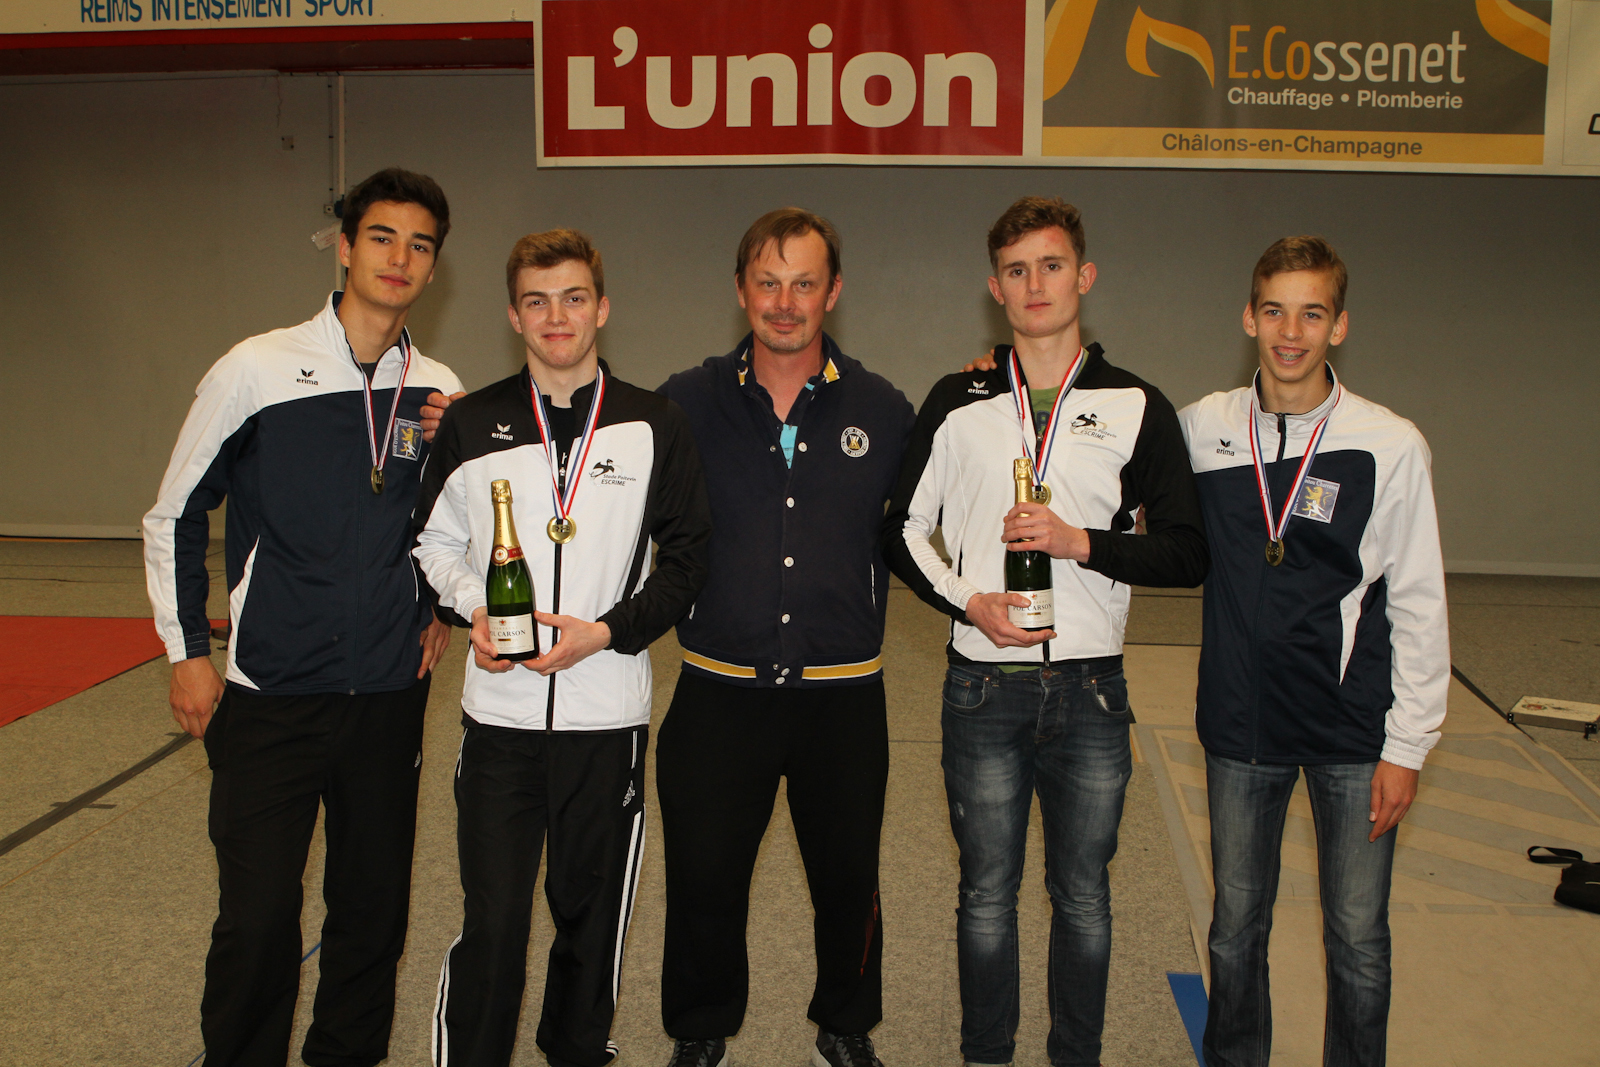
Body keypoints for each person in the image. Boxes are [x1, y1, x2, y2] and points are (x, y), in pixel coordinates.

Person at [143, 167, 463, 1067]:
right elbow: (175, 513)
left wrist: (438, 605)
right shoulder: (256, 367)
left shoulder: (439, 389)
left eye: (420, 245)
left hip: (387, 697)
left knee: (371, 913)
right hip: (271, 692)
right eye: (382, 237)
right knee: (256, 919)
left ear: (434, 266)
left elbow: (452, 521)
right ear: (346, 247)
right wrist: (187, 651)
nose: (399, 258)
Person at [882, 195, 1208, 1067]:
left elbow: (1188, 551)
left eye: (1052, 266)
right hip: (983, 684)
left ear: (1083, 277)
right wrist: (967, 602)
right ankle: (986, 1055)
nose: (1036, 284)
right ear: (995, 288)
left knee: (1085, 897)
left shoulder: (1137, 404)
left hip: (1092, 691)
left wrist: (1082, 542)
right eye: (1016, 270)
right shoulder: (958, 399)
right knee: (986, 895)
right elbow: (899, 530)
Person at [413, 229, 712, 1067]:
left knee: (591, 920)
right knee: (495, 919)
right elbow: (431, 542)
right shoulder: (472, 422)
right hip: (499, 722)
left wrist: (607, 632)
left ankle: (576, 1051)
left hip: (606, 720)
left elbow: (689, 559)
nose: (557, 317)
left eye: (574, 298)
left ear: (601, 308)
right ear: (513, 315)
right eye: (537, 301)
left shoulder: (655, 423)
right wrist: (474, 606)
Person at [652, 208, 915, 1067]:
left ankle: (845, 1024)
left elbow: (944, 494)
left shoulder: (883, 407)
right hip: (719, 688)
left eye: (804, 283)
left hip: (843, 695)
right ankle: (700, 1028)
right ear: (740, 290)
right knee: (703, 876)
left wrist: (989, 380)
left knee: (849, 877)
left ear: (833, 292)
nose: (785, 301)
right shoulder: (684, 402)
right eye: (768, 282)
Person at [1177, 236, 1447, 1067]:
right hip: (1240, 726)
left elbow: (1420, 599)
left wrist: (1408, 746)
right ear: (1248, 317)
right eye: (1275, 310)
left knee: (1358, 938)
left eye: (1311, 313)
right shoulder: (1202, 428)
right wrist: (1006, 380)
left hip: (1352, 734)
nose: (1290, 332)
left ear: (1339, 325)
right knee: (1234, 928)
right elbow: (1107, 459)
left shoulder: (1389, 443)